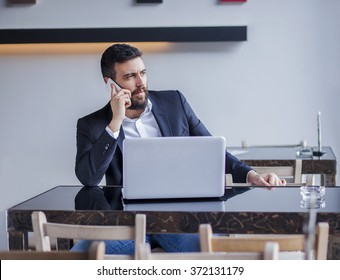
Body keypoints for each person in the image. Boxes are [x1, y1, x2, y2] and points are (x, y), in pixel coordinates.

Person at [72, 43, 286, 254]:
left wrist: (251, 175)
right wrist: (115, 122)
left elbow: (212, 149)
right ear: (110, 82)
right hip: (126, 222)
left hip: (179, 219)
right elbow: (89, 179)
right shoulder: (92, 125)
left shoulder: (174, 102)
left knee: (206, 246)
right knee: (77, 257)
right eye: (129, 77)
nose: (140, 82)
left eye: (143, 73)